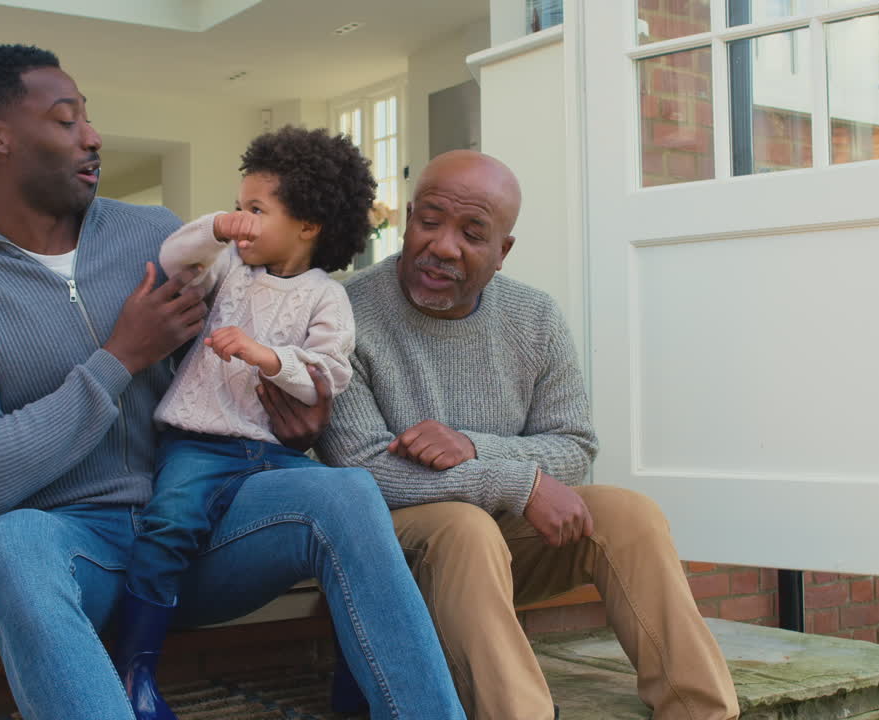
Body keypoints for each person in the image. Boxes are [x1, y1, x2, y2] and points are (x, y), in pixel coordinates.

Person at [0, 44, 464, 720]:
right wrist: (119, 358)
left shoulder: (153, 236)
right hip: (80, 545)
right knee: (7, 548)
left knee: (344, 494)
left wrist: (297, 421)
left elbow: (246, 367)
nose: (93, 136)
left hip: (205, 528)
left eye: (88, 117)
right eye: (67, 121)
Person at [316, 150, 740, 720]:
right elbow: (361, 466)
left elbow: (574, 444)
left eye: (472, 233)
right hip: (392, 555)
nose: (443, 245)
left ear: (502, 252)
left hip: (503, 552)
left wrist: (475, 446)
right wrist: (518, 483)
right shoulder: (342, 312)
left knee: (627, 513)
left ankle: (702, 710)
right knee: (464, 527)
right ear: (410, 217)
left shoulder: (534, 317)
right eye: (430, 220)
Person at [117, 126, 374, 715]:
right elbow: (175, 260)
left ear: (308, 226)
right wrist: (214, 227)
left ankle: (357, 686)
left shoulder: (325, 297)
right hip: (199, 442)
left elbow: (328, 376)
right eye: (239, 207)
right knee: (168, 525)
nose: (243, 220)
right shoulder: (230, 267)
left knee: (346, 524)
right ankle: (135, 676)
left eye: (256, 209)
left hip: (273, 453)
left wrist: (269, 357)